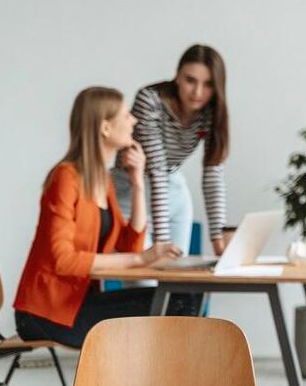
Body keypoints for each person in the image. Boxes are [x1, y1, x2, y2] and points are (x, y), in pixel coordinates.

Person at [14, 87, 187, 347]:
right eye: (127, 115)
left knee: (182, 299)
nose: (134, 121)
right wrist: (140, 259)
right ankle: (149, 383)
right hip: (46, 313)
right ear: (105, 128)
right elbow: (63, 260)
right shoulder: (65, 178)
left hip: (78, 304)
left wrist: (138, 182)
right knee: (176, 303)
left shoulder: (102, 181)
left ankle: (152, 382)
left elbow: (130, 245)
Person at [113, 44, 232, 255]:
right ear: (177, 76)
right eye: (190, 80)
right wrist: (162, 240)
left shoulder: (210, 112)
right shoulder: (150, 101)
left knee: (177, 277)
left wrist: (218, 236)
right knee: (145, 281)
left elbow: (213, 171)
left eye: (208, 85)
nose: (197, 92)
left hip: (174, 190)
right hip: (131, 192)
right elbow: (156, 168)